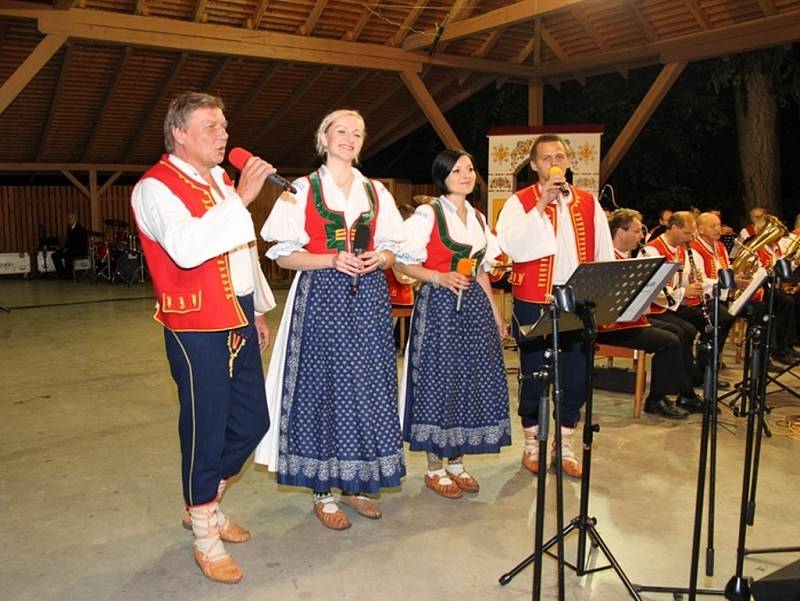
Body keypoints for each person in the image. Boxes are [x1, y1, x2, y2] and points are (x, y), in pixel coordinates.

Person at [131, 91, 276, 584]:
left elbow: (240, 249)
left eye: (225, 124)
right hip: (193, 327)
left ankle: (204, 502)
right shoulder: (154, 188)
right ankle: (204, 534)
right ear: (179, 133)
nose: (224, 134)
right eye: (211, 126)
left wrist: (254, 307)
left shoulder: (218, 180)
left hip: (234, 316)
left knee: (254, 420)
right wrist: (241, 199)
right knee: (204, 429)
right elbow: (187, 248)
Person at [254, 109, 406, 530]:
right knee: (324, 387)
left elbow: (397, 248)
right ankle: (323, 491)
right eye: (341, 130)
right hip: (321, 298)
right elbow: (283, 254)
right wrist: (330, 259)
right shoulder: (300, 190)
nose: (349, 138)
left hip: (370, 301)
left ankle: (356, 482)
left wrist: (383, 257)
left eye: (357, 133)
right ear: (323, 137)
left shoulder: (376, 191)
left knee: (367, 387)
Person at [495, 133, 614, 478]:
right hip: (535, 302)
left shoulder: (588, 202)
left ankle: (564, 445)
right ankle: (532, 443)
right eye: (546, 158)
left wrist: (603, 300)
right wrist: (540, 206)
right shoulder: (520, 202)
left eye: (559, 156)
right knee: (534, 373)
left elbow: (603, 253)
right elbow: (512, 246)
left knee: (575, 376)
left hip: (577, 302)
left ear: (568, 162)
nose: (554, 163)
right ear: (534, 165)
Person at [394, 149, 511, 499]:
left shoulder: (476, 218)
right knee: (439, 381)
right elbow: (399, 261)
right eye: (457, 170)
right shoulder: (427, 215)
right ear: (442, 176)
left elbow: (481, 272)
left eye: (470, 169)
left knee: (469, 379)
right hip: (440, 306)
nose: (466, 174)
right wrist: (436, 277)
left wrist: (495, 314)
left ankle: (457, 462)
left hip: (474, 307)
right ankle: (434, 468)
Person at [597, 209, 691, 420]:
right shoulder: (607, 258)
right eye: (638, 231)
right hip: (610, 327)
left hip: (628, 321)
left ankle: (678, 391)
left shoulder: (626, 256)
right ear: (621, 232)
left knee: (678, 331)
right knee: (670, 341)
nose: (642, 236)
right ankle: (656, 399)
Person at [642, 211, 734, 403]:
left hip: (674, 304)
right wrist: (685, 292)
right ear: (674, 228)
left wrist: (699, 285)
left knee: (717, 318)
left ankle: (693, 378)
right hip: (657, 308)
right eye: (687, 233)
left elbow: (686, 278)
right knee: (685, 331)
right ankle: (684, 387)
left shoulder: (681, 249)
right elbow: (654, 290)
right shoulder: (652, 250)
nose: (691, 238)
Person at [51, 212, 88, 278]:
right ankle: (62, 273)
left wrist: (68, 249)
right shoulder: (69, 229)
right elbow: (68, 241)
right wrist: (64, 248)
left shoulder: (81, 229)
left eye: (70, 218)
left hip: (79, 250)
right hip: (70, 249)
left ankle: (69, 275)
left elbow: (80, 243)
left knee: (68, 255)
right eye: (68, 219)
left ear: (75, 219)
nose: (69, 220)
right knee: (54, 255)